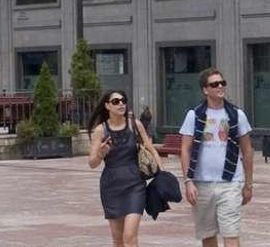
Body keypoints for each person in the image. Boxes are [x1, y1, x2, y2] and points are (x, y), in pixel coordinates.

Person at [179, 68, 255, 247]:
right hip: (201, 184)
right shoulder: (194, 115)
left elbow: (247, 150)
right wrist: (188, 181)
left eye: (222, 83)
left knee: (231, 233)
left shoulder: (236, 115)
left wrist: (248, 184)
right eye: (214, 84)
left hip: (230, 183)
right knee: (208, 235)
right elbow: (185, 149)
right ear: (205, 90)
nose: (220, 86)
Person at [87, 90, 162, 247]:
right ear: (107, 106)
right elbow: (92, 163)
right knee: (118, 239)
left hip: (135, 184)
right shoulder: (101, 130)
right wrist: (101, 153)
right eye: (115, 101)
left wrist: (162, 173)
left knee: (129, 236)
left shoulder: (135, 124)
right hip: (112, 186)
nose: (121, 104)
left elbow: (149, 147)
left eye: (123, 100)